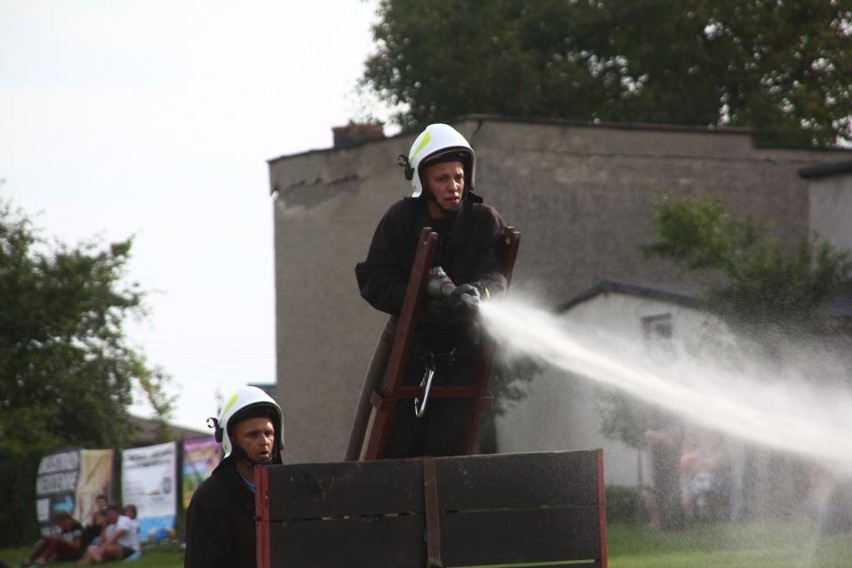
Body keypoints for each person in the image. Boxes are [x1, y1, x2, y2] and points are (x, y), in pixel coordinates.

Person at [355, 123, 510, 457]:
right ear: (422, 181)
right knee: (396, 453)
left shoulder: (484, 222)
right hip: (410, 356)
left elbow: (497, 278)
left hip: (463, 358)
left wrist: (476, 294)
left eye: (458, 177)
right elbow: (374, 281)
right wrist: (421, 301)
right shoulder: (400, 220)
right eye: (442, 179)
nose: (453, 187)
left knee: (451, 456)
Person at [184, 386, 285, 568]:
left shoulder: (290, 490)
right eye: (253, 434)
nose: (264, 441)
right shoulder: (210, 499)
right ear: (232, 440)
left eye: (268, 433)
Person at [18, 510, 84, 566]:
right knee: (49, 540)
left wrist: (62, 540)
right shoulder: (65, 529)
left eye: (60, 524)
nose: (60, 527)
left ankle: (42, 561)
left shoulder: (76, 527)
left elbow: (77, 546)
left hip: (77, 553)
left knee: (56, 541)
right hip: (67, 551)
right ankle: (29, 560)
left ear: (65, 520)